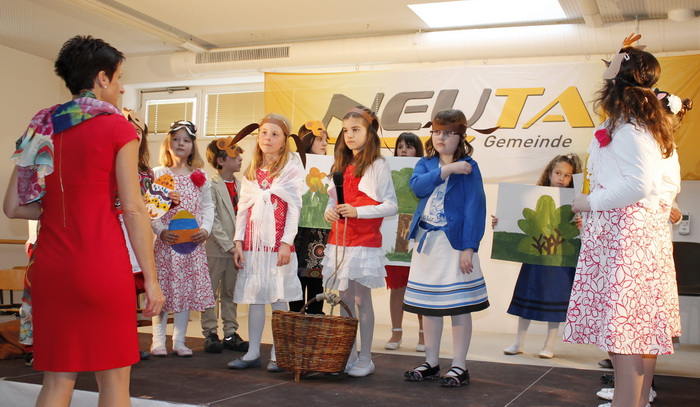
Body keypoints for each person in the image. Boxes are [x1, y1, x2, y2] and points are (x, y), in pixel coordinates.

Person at [3, 35, 164, 406]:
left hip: (51, 268)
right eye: (120, 78)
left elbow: (13, 207)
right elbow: (134, 209)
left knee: (57, 381)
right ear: (102, 78)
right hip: (101, 266)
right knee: (114, 381)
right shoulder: (118, 128)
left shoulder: (42, 125)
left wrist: (60, 207)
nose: (122, 88)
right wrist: (152, 281)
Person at [564, 34, 679, 407]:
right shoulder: (632, 125)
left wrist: (590, 202)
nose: (605, 74)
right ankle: (635, 401)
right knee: (632, 333)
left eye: (611, 68)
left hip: (625, 240)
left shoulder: (630, 129)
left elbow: (639, 184)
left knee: (625, 336)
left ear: (619, 80)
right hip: (624, 236)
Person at [596, 91, 692, 404]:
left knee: (635, 326)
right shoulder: (646, 141)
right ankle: (634, 394)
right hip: (636, 236)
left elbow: (657, 188)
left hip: (640, 240)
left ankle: (637, 394)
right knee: (636, 326)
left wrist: (666, 208)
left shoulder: (659, 146)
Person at [402, 109, 488, 387]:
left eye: (448, 133)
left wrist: (469, 247)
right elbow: (417, 187)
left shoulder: (470, 167)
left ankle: (459, 366)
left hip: (454, 246)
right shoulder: (425, 163)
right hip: (427, 244)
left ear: (461, 136)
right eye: (437, 132)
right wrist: (448, 169)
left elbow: (475, 208)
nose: (441, 137)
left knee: (459, 306)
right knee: (428, 306)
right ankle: (431, 362)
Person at [323, 107, 398, 377]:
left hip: (364, 241)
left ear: (370, 132)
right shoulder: (340, 165)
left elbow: (391, 206)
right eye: (346, 130)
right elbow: (333, 200)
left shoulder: (378, 165)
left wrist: (358, 212)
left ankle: (366, 358)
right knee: (344, 298)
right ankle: (348, 355)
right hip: (339, 241)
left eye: (356, 130)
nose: (350, 135)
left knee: (361, 298)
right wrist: (329, 211)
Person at [228, 114, 305, 372]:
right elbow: (243, 209)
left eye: (274, 134)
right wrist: (239, 241)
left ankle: (278, 353)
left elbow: (294, 208)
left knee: (278, 296)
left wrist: (286, 243)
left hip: (277, 246)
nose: (268, 138)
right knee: (255, 297)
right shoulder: (252, 171)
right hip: (254, 244)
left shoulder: (290, 170)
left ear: (284, 141)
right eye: (264, 133)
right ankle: (252, 352)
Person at [495, 153, 582, 359]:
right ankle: (518, 342)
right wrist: (501, 222)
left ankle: (549, 344)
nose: (561, 178)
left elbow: (584, 230)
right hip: (535, 259)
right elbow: (517, 219)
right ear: (549, 174)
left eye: (567, 175)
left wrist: (582, 224)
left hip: (561, 260)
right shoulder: (533, 196)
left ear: (572, 178)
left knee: (556, 298)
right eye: (558, 173)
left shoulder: (577, 202)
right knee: (527, 296)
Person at [150, 120, 216, 357]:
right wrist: (160, 230)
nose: (181, 144)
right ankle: (158, 340)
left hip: (192, 245)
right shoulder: (158, 173)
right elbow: (151, 209)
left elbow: (208, 207)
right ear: (168, 143)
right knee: (163, 291)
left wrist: (205, 229)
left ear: (192, 146)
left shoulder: (199, 175)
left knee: (185, 291)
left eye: (186, 140)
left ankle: (179, 341)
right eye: (176, 139)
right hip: (168, 245)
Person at [201, 138, 249, 353]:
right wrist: (229, 245)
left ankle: (230, 332)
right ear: (221, 161)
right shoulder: (210, 185)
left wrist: (239, 246)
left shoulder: (242, 185)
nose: (240, 159)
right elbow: (212, 220)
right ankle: (210, 333)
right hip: (216, 249)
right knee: (209, 292)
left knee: (231, 292)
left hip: (236, 250)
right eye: (235, 155)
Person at [384, 132, 426, 352]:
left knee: (420, 287)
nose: (403, 151)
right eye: (400, 147)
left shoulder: (427, 170)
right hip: (396, 229)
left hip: (419, 231)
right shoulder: (387, 170)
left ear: (417, 150)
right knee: (397, 286)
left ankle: (424, 335)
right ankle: (396, 332)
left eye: (409, 147)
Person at [289, 121, 330, 315]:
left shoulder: (331, 166)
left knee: (316, 280)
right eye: (319, 139)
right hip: (297, 231)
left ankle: (315, 320)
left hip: (320, 232)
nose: (324, 144)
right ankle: (295, 321)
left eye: (326, 140)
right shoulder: (293, 165)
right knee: (295, 279)